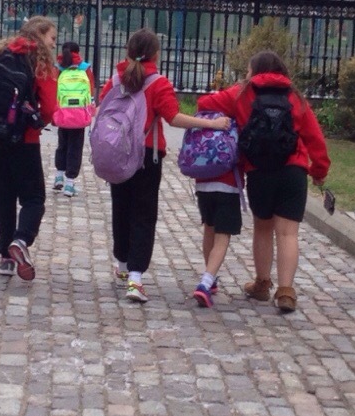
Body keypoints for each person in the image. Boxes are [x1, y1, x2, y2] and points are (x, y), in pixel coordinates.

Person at [97, 28, 232, 305]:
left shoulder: (116, 79)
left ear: (127, 51)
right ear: (156, 54)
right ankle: (136, 277)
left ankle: (122, 264)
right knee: (143, 214)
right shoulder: (157, 83)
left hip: (118, 152)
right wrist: (212, 124)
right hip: (147, 155)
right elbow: (174, 118)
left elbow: (103, 109)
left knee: (121, 208)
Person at [213, 50, 330, 314]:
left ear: (254, 71)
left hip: (259, 171)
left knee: (263, 228)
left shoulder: (243, 94)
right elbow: (315, 138)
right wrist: (319, 170)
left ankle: (262, 284)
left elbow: (206, 103)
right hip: (293, 171)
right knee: (288, 233)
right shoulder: (295, 97)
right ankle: (286, 291)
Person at [0, 16, 59, 281]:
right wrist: (37, 123)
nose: (53, 44)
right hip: (25, 139)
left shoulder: (1, 54)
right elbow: (50, 107)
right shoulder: (40, 63)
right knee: (34, 198)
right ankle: (21, 241)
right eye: (52, 38)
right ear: (40, 35)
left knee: (4, 197)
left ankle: (6, 258)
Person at [190, 88, 242, 308]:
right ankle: (205, 283)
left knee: (209, 228)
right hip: (228, 184)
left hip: (203, 181)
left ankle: (209, 276)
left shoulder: (207, 113)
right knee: (223, 236)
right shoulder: (237, 113)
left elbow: (203, 102)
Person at [52, 40, 95, 198]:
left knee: (62, 145)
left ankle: (58, 177)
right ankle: (69, 184)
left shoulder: (59, 67)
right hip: (79, 114)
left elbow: (53, 89)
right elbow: (91, 89)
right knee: (75, 148)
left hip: (63, 113)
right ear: (78, 52)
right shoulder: (85, 68)